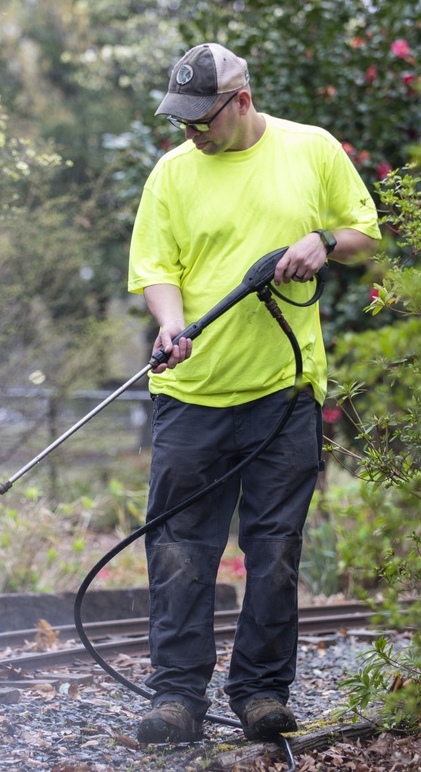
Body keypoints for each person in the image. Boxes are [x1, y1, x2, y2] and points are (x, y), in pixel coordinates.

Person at [128, 42, 380, 745]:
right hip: (193, 393)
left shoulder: (312, 149)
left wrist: (324, 241)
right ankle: (176, 696)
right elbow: (156, 264)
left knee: (274, 549)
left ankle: (262, 692)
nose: (191, 133)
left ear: (240, 101)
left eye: (201, 119)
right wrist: (171, 323)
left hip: (283, 393)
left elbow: (367, 233)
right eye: (182, 121)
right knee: (179, 547)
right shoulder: (172, 172)